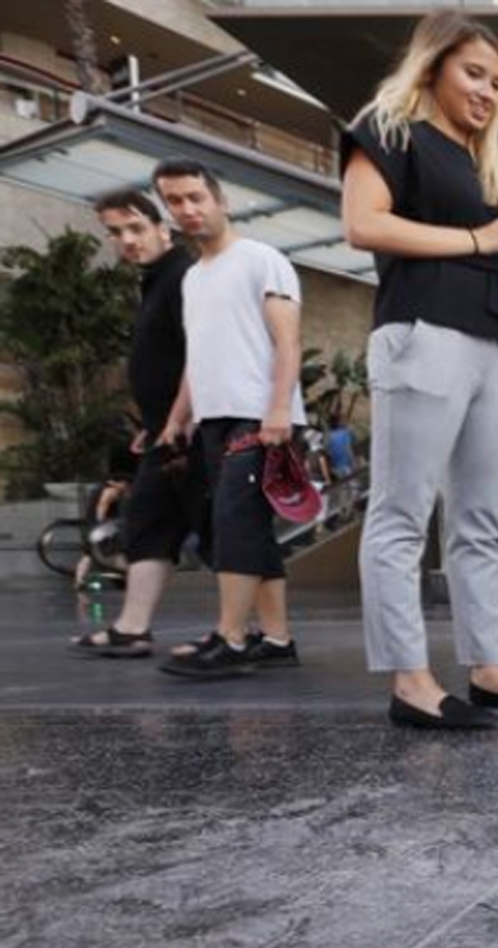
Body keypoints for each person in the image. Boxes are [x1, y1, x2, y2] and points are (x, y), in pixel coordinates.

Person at [342, 9, 498, 729]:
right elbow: (363, 224)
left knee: (479, 518)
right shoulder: (390, 128)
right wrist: (481, 237)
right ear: (433, 65)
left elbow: (491, 266)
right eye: (474, 73)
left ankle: (488, 670)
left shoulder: (479, 168)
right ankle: (410, 680)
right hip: (424, 332)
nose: (487, 92)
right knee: (402, 512)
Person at [149, 159, 305, 680]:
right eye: (175, 201)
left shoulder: (262, 259)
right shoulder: (194, 278)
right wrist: (176, 419)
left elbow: (288, 341)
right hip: (216, 421)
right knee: (249, 527)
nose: (187, 209)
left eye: (196, 197)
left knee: (234, 524)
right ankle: (277, 640)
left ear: (221, 201)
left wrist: (278, 409)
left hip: (258, 416)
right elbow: (198, 358)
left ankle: (231, 639)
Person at [69, 188, 207, 661]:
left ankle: (254, 635)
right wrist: (155, 422)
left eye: (136, 228)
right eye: (115, 232)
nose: (126, 239)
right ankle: (132, 628)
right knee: (147, 524)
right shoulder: (156, 280)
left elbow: (200, 353)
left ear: (162, 229)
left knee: (220, 531)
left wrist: (179, 418)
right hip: (165, 432)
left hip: (190, 432)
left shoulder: (182, 276)